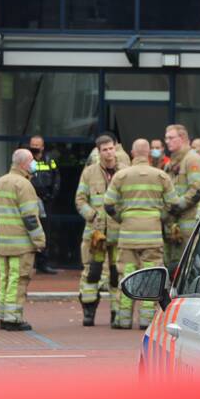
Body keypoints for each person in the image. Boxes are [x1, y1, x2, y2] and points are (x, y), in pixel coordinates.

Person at [103, 139, 200, 329]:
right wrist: (159, 217)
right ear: (148, 153)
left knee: (127, 273)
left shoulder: (121, 176)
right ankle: (146, 321)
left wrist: (123, 218)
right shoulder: (161, 176)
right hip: (153, 235)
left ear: (132, 152)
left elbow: (108, 205)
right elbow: (174, 205)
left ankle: (123, 320)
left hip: (128, 236)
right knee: (150, 276)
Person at [0, 148, 46, 331]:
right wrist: (40, 241)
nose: (34, 164)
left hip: (3, 242)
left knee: (5, 279)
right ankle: (13, 319)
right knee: (18, 279)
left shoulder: (1, 181)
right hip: (21, 245)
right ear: (24, 164)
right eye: (32, 161)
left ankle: (4, 315)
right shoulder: (24, 185)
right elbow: (30, 218)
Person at [74, 134, 125, 327]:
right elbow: (80, 199)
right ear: (98, 152)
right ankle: (88, 310)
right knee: (92, 272)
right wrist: (92, 215)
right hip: (95, 233)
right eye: (104, 149)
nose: (109, 153)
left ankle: (116, 312)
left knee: (116, 272)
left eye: (111, 148)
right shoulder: (89, 173)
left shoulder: (124, 172)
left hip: (117, 232)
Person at [163, 124, 200, 265]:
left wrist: (175, 206)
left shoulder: (192, 159)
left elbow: (197, 191)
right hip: (172, 226)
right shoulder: (170, 163)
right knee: (170, 265)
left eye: (170, 138)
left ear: (182, 138)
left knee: (184, 265)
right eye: (166, 138)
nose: (167, 141)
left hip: (186, 224)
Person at [27, 135, 60, 275]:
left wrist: (52, 194)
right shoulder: (26, 160)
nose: (34, 147)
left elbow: (56, 176)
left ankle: (43, 263)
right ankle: (30, 263)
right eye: (32, 144)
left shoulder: (49, 160)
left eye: (37, 145)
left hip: (46, 200)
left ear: (42, 146)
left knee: (45, 232)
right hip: (30, 199)